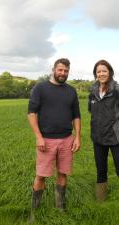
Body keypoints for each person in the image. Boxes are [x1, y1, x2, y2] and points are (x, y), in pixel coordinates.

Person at [28, 58, 81, 212]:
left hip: (66, 140)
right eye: (60, 70)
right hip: (46, 140)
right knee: (40, 176)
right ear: (53, 69)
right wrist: (38, 137)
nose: (63, 73)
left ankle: (60, 208)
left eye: (66, 71)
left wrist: (77, 136)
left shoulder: (71, 91)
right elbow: (31, 113)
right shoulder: (40, 88)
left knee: (63, 174)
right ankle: (34, 211)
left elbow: (76, 116)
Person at [88, 59, 119, 202]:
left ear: (110, 72)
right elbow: (92, 111)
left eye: (104, 71)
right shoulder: (93, 91)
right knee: (101, 171)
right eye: (99, 71)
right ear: (95, 74)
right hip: (98, 139)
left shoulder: (118, 90)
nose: (101, 74)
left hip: (117, 139)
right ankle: (101, 202)